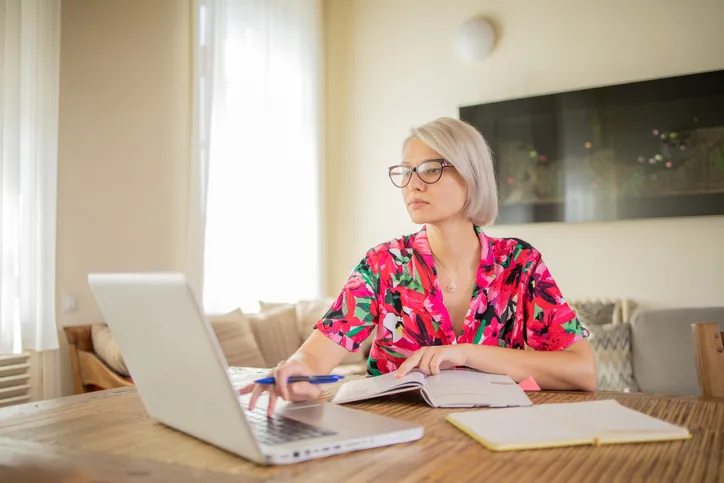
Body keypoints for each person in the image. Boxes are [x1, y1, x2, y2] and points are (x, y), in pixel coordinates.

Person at [241, 117, 597, 416]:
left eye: (429, 169)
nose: (412, 184)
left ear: (471, 175)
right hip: (397, 437)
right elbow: (317, 355)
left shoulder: (520, 263)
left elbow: (582, 371)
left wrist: (465, 353)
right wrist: (295, 373)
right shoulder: (384, 264)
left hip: (497, 439)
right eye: (406, 172)